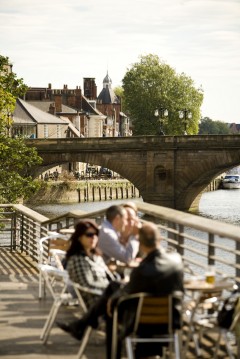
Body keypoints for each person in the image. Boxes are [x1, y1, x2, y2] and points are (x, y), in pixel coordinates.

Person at [57, 221, 184, 359]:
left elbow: (125, 293)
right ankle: (81, 324)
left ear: (141, 244)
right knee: (115, 288)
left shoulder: (141, 271)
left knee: (113, 310)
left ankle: (86, 328)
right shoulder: (176, 260)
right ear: (160, 240)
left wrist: (113, 298)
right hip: (172, 320)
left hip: (140, 322)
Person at [64, 219, 117, 307]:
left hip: (109, 296)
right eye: (89, 235)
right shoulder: (77, 259)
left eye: (96, 234)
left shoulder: (96, 257)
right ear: (79, 237)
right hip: (99, 301)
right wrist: (112, 288)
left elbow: (110, 278)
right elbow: (87, 285)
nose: (94, 237)